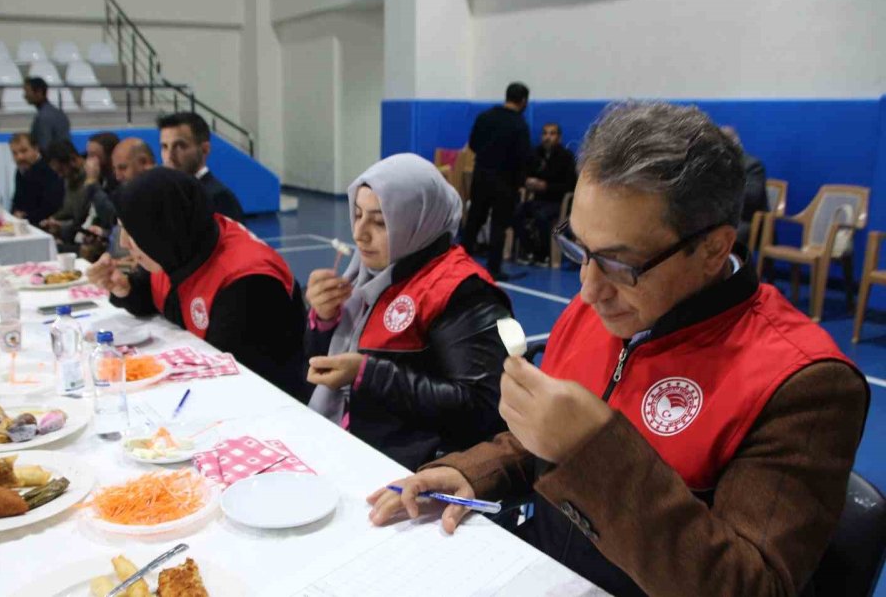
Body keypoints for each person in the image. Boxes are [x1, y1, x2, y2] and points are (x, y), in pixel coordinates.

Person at [367, 102, 868, 597]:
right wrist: (472, 470)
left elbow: (748, 586)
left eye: (620, 264)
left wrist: (593, 448)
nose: (587, 290)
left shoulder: (803, 383)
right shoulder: (602, 308)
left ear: (715, 249)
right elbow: (544, 438)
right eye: (579, 249)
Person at [306, 154, 512, 471]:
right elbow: (318, 370)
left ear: (418, 221)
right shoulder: (364, 274)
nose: (359, 233)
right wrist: (323, 320)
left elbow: (482, 407)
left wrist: (368, 373)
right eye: (358, 215)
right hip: (353, 444)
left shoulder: (463, 292)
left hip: (413, 472)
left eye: (379, 221)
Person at [86, 168, 309, 402]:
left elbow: (236, 382)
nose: (123, 243)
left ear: (158, 229)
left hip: (265, 402)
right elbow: (159, 296)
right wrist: (126, 289)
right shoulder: (181, 244)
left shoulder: (247, 283)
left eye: (131, 233)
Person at [462, 82, 532, 280]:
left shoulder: (485, 117)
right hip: (505, 181)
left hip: (481, 175)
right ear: (524, 101)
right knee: (499, 225)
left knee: (474, 219)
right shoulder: (519, 125)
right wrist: (520, 183)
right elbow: (523, 157)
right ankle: (493, 268)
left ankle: (459, 261)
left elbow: (473, 144)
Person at [158, 112, 244, 222]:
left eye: (179, 146)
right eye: (164, 147)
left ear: (205, 149)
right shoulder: (166, 195)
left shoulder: (218, 198)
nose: (169, 156)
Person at [513, 122, 577, 263]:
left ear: (558, 137)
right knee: (516, 212)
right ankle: (530, 250)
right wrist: (527, 182)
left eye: (552, 133)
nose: (547, 137)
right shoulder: (535, 154)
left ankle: (544, 254)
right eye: (545, 133)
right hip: (537, 200)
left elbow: (569, 186)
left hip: (557, 202)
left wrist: (546, 186)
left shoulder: (566, 157)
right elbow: (521, 174)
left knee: (541, 216)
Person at [44, 140, 115, 251]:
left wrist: (61, 228)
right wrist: (54, 219)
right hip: (77, 233)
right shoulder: (70, 178)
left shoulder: (92, 180)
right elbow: (69, 210)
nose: (60, 175)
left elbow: (81, 217)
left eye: (61, 170)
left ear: (73, 160)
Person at [721, 126, 769, 247]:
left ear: (737, 145)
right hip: (724, 219)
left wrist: (722, 189)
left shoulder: (753, 166)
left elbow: (752, 197)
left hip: (749, 220)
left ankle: (735, 266)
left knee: (726, 234)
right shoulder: (717, 166)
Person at [9, 132, 64, 226]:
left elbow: (51, 207)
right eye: (15, 153)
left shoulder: (49, 169)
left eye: (24, 151)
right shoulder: (20, 171)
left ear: (35, 149)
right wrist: (15, 213)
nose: (19, 157)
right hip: (26, 223)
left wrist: (24, 218)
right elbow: (16, 200)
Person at [23, 77, 71, 155]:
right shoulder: (59, 113)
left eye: (27, 92)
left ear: (39, 92)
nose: (25, 96)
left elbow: (44, 147)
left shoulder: (43, 117)